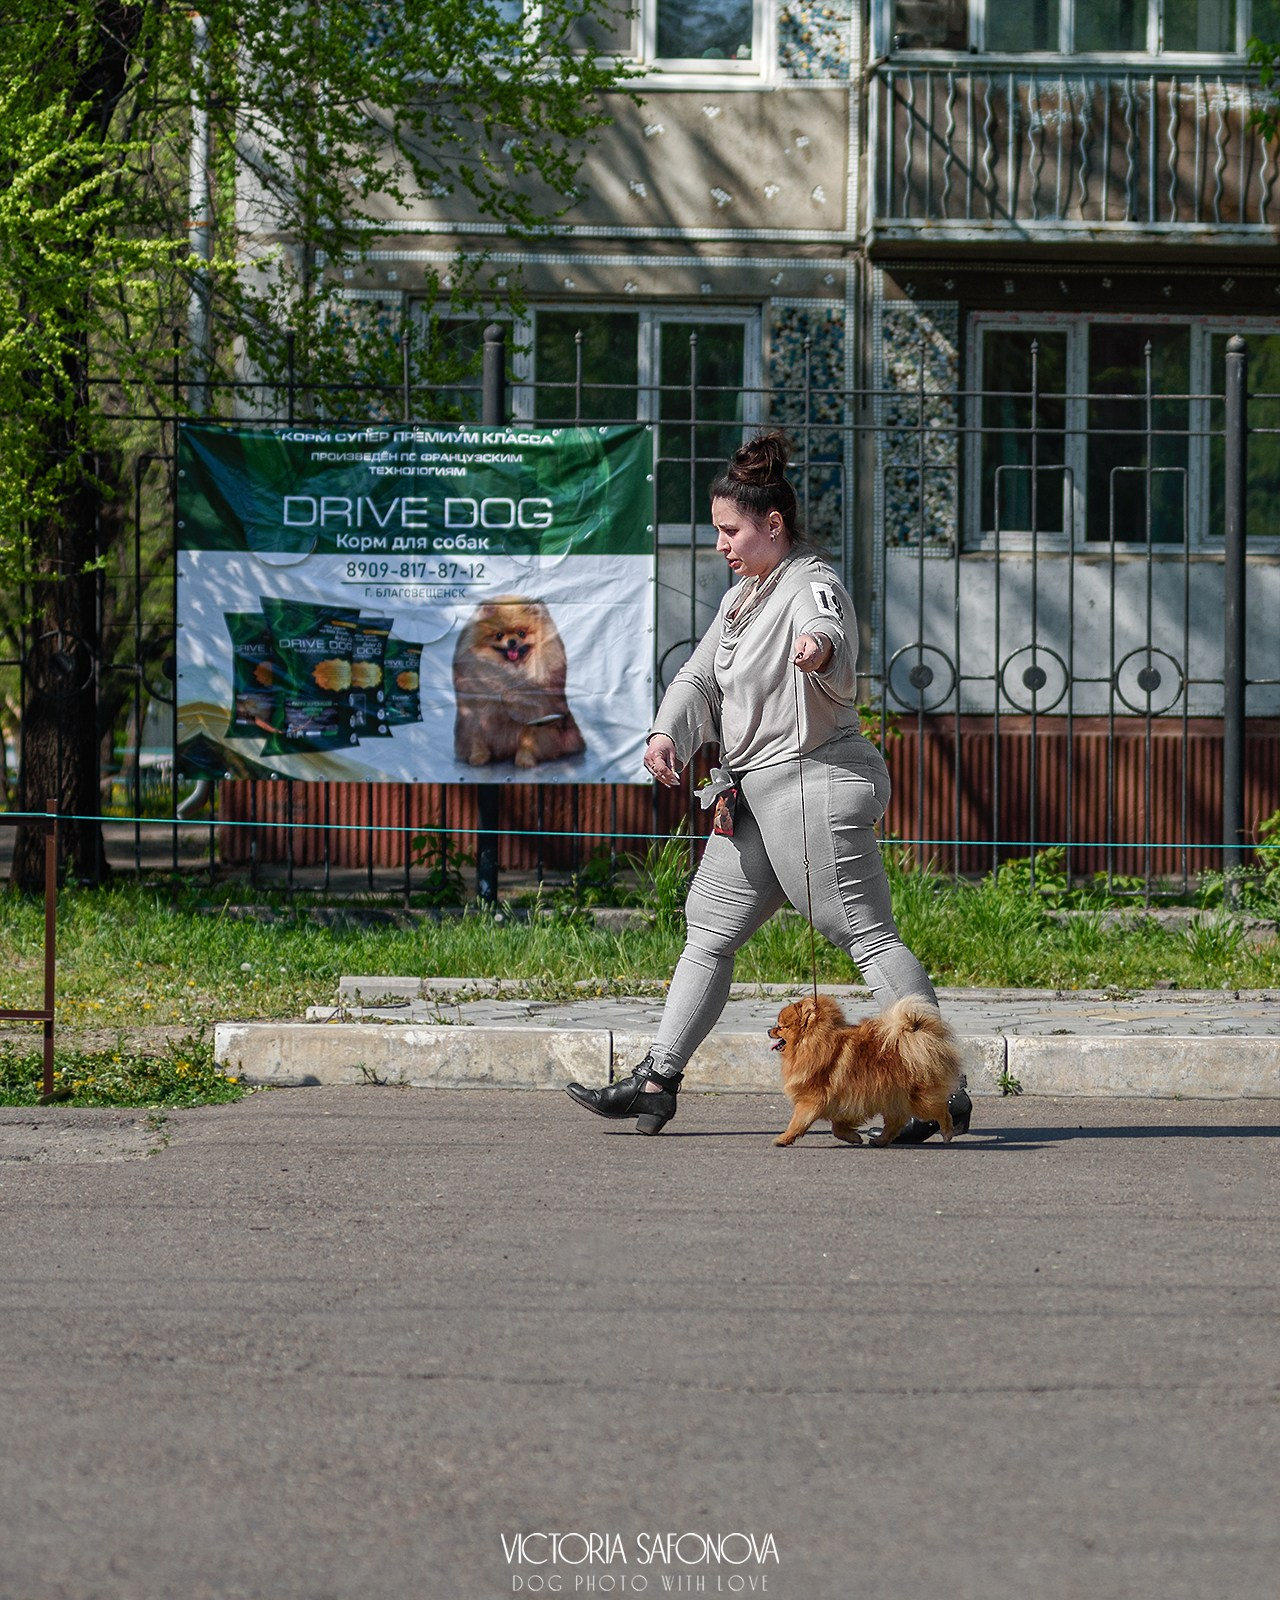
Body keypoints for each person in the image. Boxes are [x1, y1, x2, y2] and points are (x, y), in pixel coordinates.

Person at [565, 431, 971, 1141]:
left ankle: (945, 1090)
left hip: (812, 783)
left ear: (772, 524)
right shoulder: (740, 600)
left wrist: (820, 648)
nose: (720, 543)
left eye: (731, 530)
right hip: (754, 794)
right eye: (718, 529)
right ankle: (657, 1083)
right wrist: (666, 735)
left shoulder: (810, 582)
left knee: (867, 936)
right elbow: (699, 677)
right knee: (709, 930)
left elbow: (827, 626)